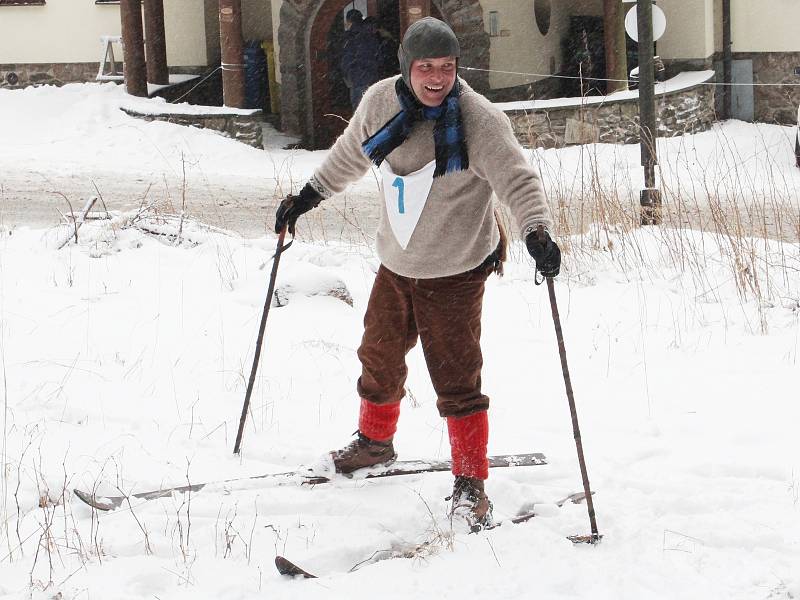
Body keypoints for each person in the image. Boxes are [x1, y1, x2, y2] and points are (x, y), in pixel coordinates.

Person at [275, 17, 561, 529]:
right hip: (398, 260)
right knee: (378, 353)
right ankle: (375, 443)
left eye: (446, 68)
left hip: (455, 266)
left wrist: (536, 231)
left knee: (456, 375)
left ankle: (471, 485)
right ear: (406, 68)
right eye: (425, 67)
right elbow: (349, 156)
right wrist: (305, 199)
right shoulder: (381, 102)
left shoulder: (478, 119)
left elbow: (517, 179)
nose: (436, 78)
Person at [340, 9, 382, 109]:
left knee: (359, 109)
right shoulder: (371, 36)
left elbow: (346, 59)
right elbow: (379, 58)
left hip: (357, 77)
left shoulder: (349, 37)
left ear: (348, 21)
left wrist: (347, 74)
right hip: (371, 77)